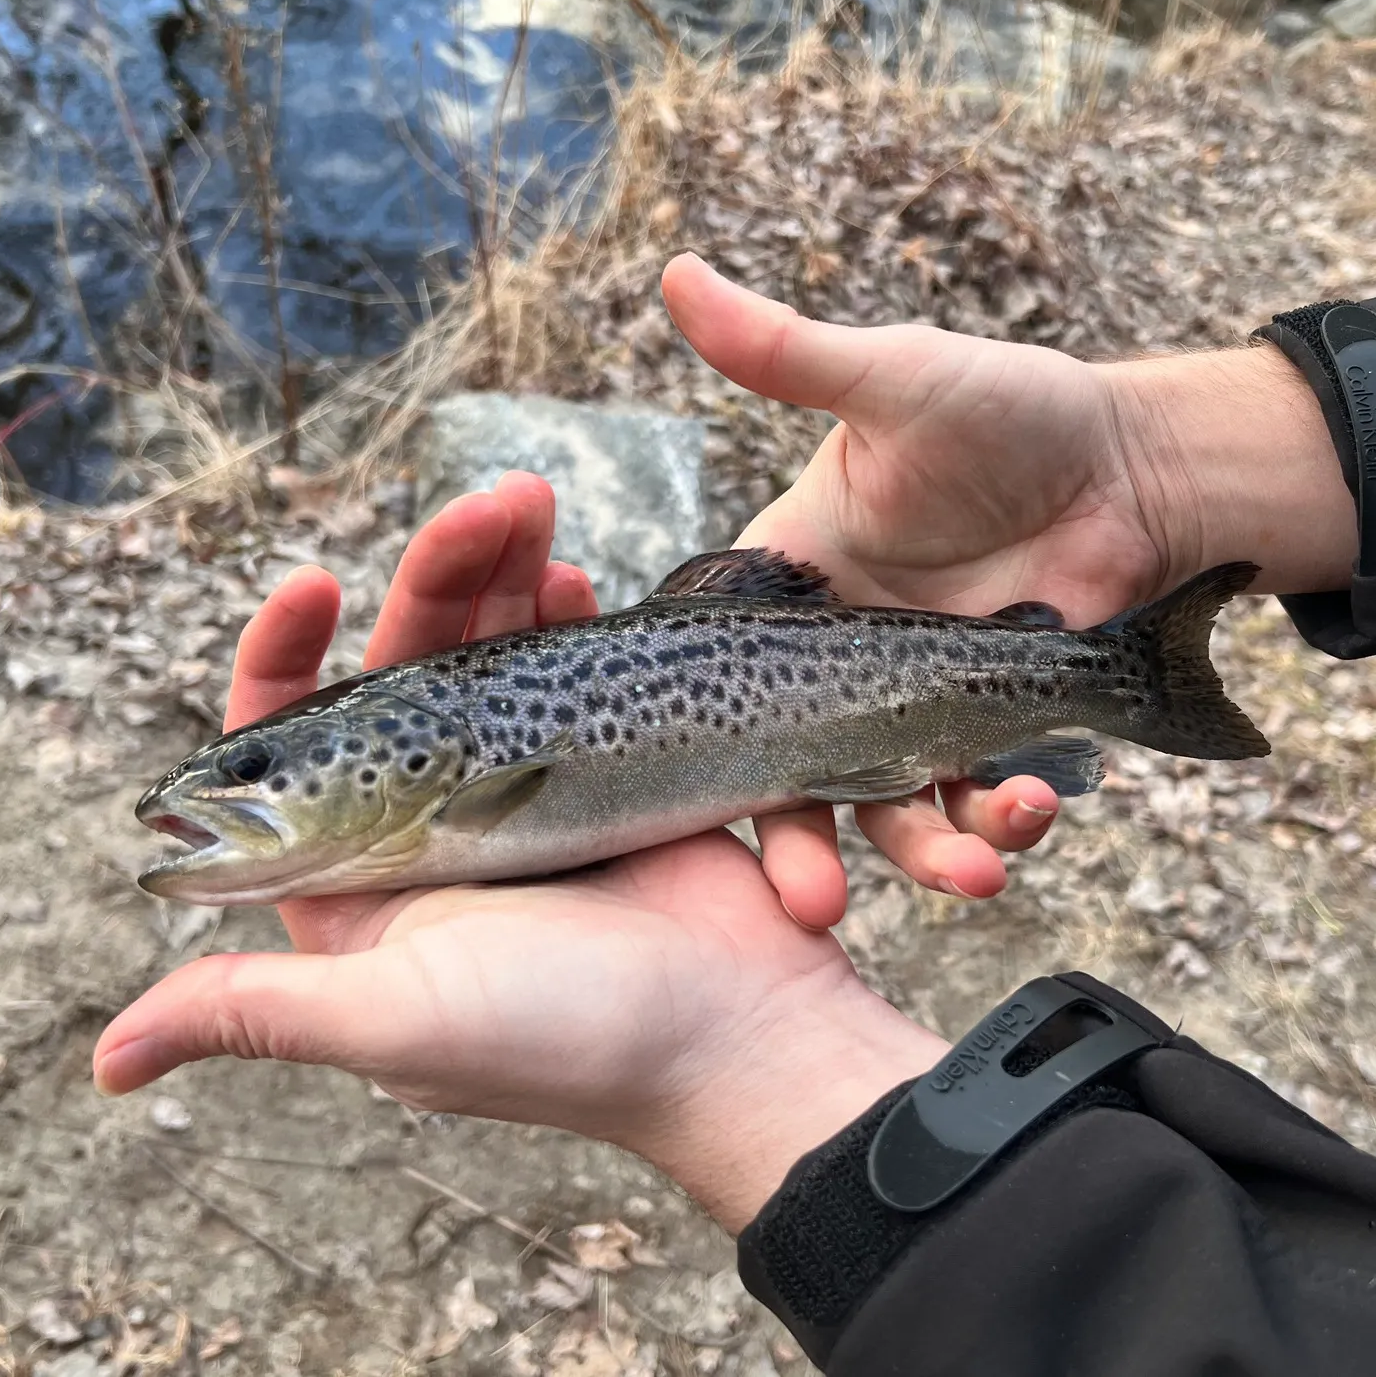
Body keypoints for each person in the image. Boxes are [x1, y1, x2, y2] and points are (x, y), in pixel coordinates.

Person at [95, 257, 1376, 1373]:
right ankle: (1117, 671)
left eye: (255, 779)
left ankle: (1126, 672)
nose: (224, 803)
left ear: (396, 759)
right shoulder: (437, 784)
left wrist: (1150, 471)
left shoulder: (459, 792)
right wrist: (1159, 467)